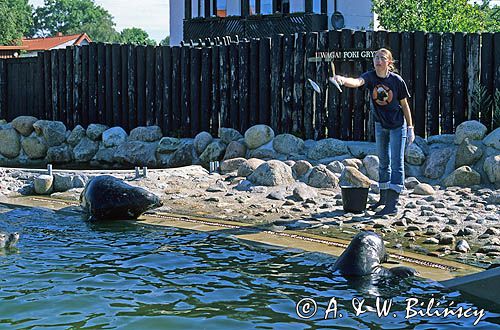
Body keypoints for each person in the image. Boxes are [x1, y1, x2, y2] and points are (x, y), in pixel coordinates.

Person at [333, 48, 415, 216]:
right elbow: (357, 82)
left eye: (382, 58)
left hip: (398, 125)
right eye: (376, 57)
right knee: (383, 161)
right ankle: (383, 199)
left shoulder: (397, 81)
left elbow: (405, 105)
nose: (378, 60)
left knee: (397, 163)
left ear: (389, 63)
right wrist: (342, 79)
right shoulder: (370, 77)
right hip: (380, 125)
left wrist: (410, 127)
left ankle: (393, 204)